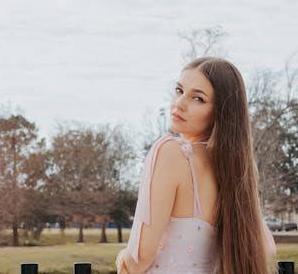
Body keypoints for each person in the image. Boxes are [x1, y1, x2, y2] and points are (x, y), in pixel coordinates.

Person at [116, 57, 276, 274]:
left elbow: (140, 256)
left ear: (220, 113)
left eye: (198, 99)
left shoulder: (170, 152)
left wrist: (123, 259)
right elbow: (266, 248)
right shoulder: (235, 176)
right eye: (179, 90)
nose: (179, 103)